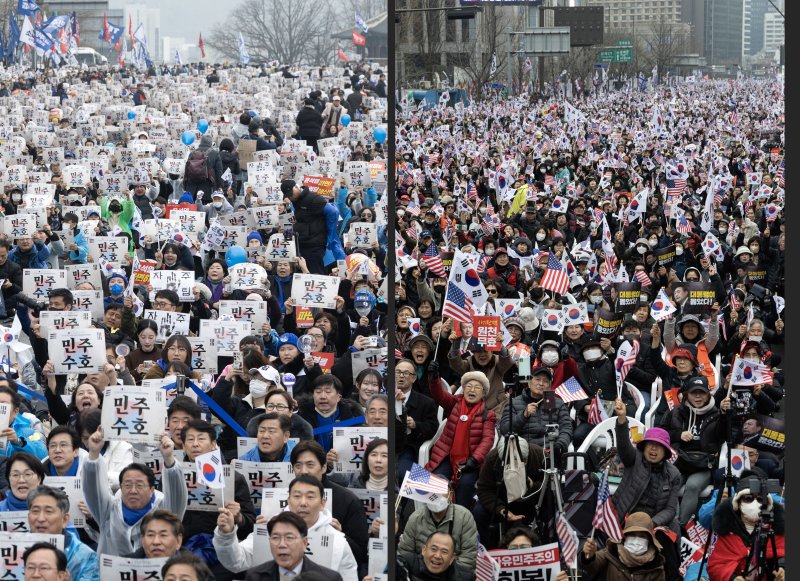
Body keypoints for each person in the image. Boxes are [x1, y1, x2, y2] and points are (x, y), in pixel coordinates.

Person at [215, 475, 358, 581]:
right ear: (288, 500)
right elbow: (236, 561)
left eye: (310, 497)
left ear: (322, 503)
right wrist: (226, 535)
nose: (303, 503)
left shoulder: (338, 541)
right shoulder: (270, 530)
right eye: (297, 496)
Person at [80, 426, 187, 556]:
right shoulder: (108, 510)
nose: (133, 491)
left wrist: (169, 458)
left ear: (152, 489)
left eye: (140, 485)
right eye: (127, 485)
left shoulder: (163, 510)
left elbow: (177, 494)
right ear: (120, 487)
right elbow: (92, 489)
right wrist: (93, 453)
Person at [425, 365, 496, 508]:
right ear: (463, 389)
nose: (472, 390)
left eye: (477, 387)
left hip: (469, 462)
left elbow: (487, 440)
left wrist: (474, 460)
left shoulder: (488, 415)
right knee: (435, 480)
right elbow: (439, 395)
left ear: (483, 393)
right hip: (446, 456)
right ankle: (437, 513)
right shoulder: (454, 403)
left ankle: (460, 514)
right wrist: (434, 379)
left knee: (465, 485)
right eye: (468, 386)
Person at [708, 479, 785, 581]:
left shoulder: (775, 529)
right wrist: (732, 578)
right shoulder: (727, 530)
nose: (755, 503)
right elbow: (715, 567)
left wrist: (783, 567)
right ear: (738, 503)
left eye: (760, 499)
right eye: (748, 498)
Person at [243, 512, 344, 581]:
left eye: (289, 538)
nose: (282, 544)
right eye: (275, 538)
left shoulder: (329, 578)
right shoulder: (255, 576)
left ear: (304, 543)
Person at [26, 485, 99, 581]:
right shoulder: (13, 548)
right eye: (35, 511)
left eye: (48, 511)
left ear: (64, 520)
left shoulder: (87, 557)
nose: (41, 518)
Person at [579, 512, 666, 580]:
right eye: (632, 534)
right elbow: (591, 566)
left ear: (649, 540)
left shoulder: (656, 565)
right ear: (625, 537)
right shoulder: (611, 552)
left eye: (642, 536)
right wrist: (589, 556)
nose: (636, 540)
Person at [281, 179, 328, 275]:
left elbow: (333, 213)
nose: (290, 197)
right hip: (300, 247)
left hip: (314, 247)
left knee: (315, 276)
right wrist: (286, 235)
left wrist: (332, 237)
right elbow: (291, 227)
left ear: (296, 187)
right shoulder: (294, 204)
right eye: (288, 196)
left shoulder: (315, 199)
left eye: (291, 194)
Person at [398, 532, 474, 581]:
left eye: (444, 552)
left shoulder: (465, 577)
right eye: (433, 549)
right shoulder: (406, 563)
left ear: (451, 558)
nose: (437, 556)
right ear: (424, 550)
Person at [125, 510, 190, 559]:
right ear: (143, 540)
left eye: (163, 535)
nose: (156, 542)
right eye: (150, 535)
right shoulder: (124, 566)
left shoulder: (193, 569)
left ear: (178, 541)